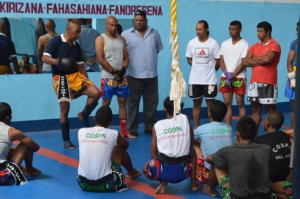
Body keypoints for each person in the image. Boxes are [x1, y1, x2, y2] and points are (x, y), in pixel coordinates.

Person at [42, 19, 100, 149]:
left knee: (96, 93)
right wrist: (59, 61)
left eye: (79, 31)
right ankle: (66, 139)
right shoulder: (56, 41)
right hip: (60, 78)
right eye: (76, 32)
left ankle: (83, 114)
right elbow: (44, 58)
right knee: (64, 108)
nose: (78, 34)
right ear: (68, 30)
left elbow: (81, 67)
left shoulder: (76, 46)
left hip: (76, 77)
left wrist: (87, 81)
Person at [143, 97, 199, 194]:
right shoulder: (185, 118)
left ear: (165, 109)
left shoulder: (157, 125)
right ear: (180, 109)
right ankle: (193, 185)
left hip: (163, 171)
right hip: (183, 172)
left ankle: (163, 181)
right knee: (193, 152)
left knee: (145, 168)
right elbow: (192, 140)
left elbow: (153, 154)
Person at [77, 106, 140, 192]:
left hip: (84, 184)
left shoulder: (81, 132)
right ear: (110, 122)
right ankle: (132, 172)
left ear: (94, 119)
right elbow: (126, 145)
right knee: (119, 148)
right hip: (106, 185)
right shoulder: (114, 133)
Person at [207, 116, 272, 199]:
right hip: (264, 197)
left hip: (238, 197)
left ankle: (211, 190)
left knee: (216, 163)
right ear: (256, 133)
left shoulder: (227, 151)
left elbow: (208, 158)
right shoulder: (266, 149)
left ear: (237, 134)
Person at [122, 10, 164, 136]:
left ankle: (149, 127)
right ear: (134, 21)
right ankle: (132, 129)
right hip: (133, 75)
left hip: (151, 75)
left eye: (141, 20)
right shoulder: (126, 35)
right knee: (132, 104)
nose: (139, 22)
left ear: (146, 20)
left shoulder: (154, 33)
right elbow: (123, 55)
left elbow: (156, 50)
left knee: (151, 103)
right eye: (136, 20)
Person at [96, 16, 135, 139]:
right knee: (106, 103)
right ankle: (102, 131)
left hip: (122, 77)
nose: (114, 27)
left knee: (123, 102)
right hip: (108, 77)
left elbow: (126, 57)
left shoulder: (121, 39)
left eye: (115, 25)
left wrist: (123, 70)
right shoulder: (100, 39)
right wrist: (114, 72)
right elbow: (100, 59)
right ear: (106, 25)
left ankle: (124, 131)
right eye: (111, 25)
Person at [242, 21, 281, 127]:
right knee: (255, 111)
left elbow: (268, 59)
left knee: (271, 111)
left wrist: (253, 59)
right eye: (257, 31)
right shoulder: (254, 46)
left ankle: (272, 135)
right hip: (254, 83)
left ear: (268, 32)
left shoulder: (274, 45)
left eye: (260, 31)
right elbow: (245, 61)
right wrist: (261, 59)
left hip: (268, 82)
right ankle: (254, 136)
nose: (258, 33)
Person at [185, 20, 220, 129]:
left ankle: (211, 126)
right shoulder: (191, 43)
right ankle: (196, 126)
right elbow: (189, 58)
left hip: (209, 80)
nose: (198, 31)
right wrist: (196, 66)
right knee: (196, 104)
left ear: (206, 29)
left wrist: (210, 70)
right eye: (196, 29)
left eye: (200, 29)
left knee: (210, 105)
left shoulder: (213, 43)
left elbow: (218, 60)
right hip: (195, 80)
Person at [194, 100, 232, 197]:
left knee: (194, 144)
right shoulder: (228, 128)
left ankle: (209, 188)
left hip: (208, 175)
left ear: (209, 114)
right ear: (224, 115)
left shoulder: (201, 129)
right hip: (229, 169)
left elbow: (189, 138)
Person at [253, 112, 292, 199]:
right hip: (286, 176)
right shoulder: (286, 137)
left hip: (271, 180)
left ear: (267, 123)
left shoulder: (260, 140)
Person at [0, 102, 41, 185]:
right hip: (2, 177)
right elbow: (36, 147)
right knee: (25, 144)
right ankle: (29, 170)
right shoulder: (12, 131)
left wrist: (13, 150)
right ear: (8, 117)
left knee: (7, 150)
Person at [219, 20, 248, 124]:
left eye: (234, 29)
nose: (231, 31)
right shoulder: (224, 43)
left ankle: (242, 128)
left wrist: (233, 75)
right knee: (227, 103)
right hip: (225, 77)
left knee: (240, 103)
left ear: (240, 29)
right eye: (230, 29)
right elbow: (221, 60)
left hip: (239, 77)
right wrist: (227, 74)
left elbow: (243, 62)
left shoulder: (244, 44)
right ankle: (227, 127)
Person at [284, 22, 299, 128]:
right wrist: (292, 78)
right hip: (295, 73)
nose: (297, 31)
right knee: (293, 106)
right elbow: (289, 62)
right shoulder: (295, 43)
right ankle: (293, 132)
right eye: (297, 29)